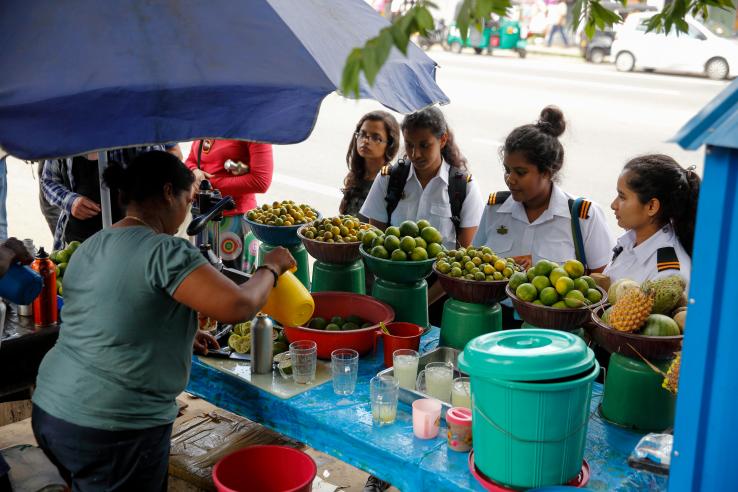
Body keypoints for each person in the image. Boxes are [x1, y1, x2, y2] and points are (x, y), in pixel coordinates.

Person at [31, 151, 296, 491]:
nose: (187, 211)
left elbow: (111, 312)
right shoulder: (166, 250)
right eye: (188, 200)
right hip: (113, 427)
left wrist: (182, 330)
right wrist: (270, 267)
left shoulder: (90, 245)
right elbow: (240, 305)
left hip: (53, 411)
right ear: (169, 192)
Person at [475, 106, 614, 271]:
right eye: (507, 170)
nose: (510, 179)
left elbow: (603, 282)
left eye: (520, 172)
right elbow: (473, 266)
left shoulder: (583, 216)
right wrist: (501, 268)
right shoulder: (494, 210)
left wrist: (549, 281)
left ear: (547, 172)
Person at [360, 106, 484, 250]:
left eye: (424, 145)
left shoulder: (464, 187)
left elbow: (466, 251)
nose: (415, 154)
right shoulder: (388, 179)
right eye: (409, 145)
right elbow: (376, 245)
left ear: (443, 140)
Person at [41, 145, 181, 250]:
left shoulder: (138, 138)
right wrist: (71, 202)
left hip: (129, 244)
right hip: (75, 242)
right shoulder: (64, 138)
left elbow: (164, 180)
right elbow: (48, 181)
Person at [604, 154, 700, 286]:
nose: (613, 205)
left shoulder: (668, 276)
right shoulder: (631, 240)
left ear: (652, 206)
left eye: (622, 197)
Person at [185, 139, 273, 272]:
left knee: (237, 281)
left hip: (234, 222)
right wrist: (194, 172)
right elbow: (191, 160)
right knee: (206, 280)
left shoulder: (253, 128)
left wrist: (207, 185)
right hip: (203, 218)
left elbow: (260, 181)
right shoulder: (207, 122)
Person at [339, 111, 400, 221]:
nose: (366, 141)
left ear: (390, 144)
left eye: (376, 137)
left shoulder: (389, 179)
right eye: (362, 134)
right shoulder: (356, 174)